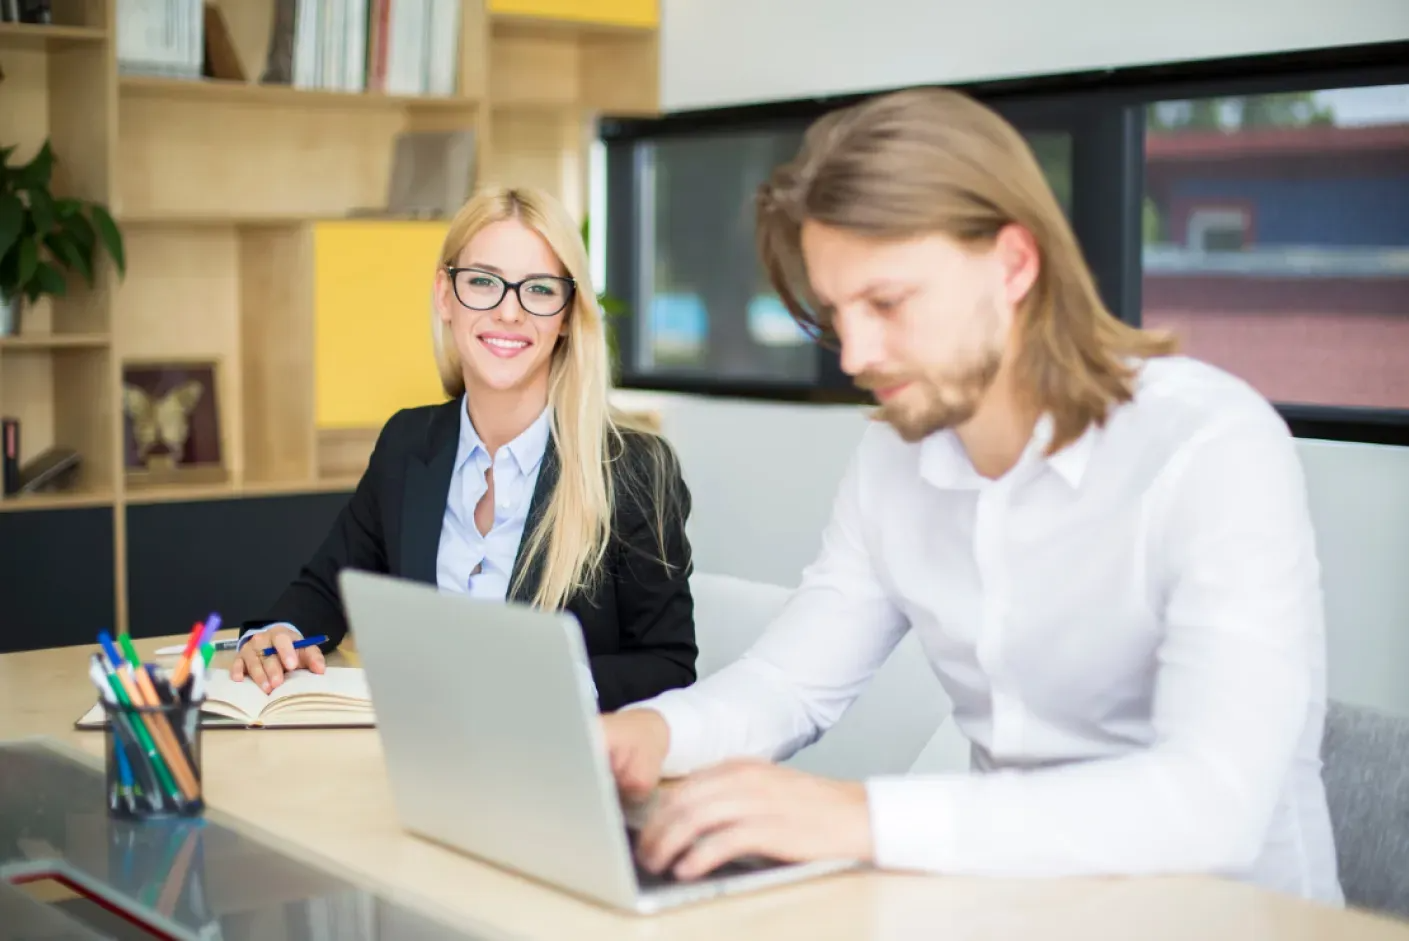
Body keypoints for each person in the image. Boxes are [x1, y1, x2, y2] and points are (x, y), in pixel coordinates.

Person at [602, 87, 1343, 905]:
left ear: (1013, 264)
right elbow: (790, 683)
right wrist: (651, 733)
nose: (854, 354)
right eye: (835, 314)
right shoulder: (894, 453)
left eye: (887, 303)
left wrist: (858, 815)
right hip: (1007, 905)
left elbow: (1212, 802)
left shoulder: (1208, 446)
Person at [232, 186, 698, 713]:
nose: (509, 312)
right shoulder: (408, 445)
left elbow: (669, 666)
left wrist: (551, 682)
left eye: (539, 290)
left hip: (551, 765)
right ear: (445, 296)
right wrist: (278, 632)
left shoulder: (633, 470)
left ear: (567, 315)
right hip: (420, 749)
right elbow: (327, 585)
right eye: (483, 282)